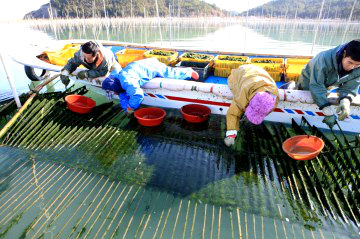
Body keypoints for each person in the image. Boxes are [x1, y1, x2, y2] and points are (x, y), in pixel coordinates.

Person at [293, 39, 360, 128]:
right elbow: (316, 85)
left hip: (330, 83)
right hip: (309, 80)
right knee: (306, 93)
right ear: (344, 54)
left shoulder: (358, 67)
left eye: (357, 65)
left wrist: (346, 100)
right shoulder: (323, 58)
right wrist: (327, 110)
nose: (352, 67)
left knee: (323, 94)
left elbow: (350, 87)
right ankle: (293, 87)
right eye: (350, 62)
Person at [101, 57, 199, 114]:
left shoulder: (127, 82)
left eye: (111, 91)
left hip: (151, 67)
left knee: (170, 73)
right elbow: (121, 94)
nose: (112, 93)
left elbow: (138, 95)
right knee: (169, 71)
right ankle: (187, 71)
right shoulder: (116, 77)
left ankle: (188, 71)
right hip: (140, 65)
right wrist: (125, 107)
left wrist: (131, 107)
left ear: (115, 87)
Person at [224, 64, 279, 147]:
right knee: (235, 91)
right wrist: (231, 134)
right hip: (241, 72)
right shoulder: (243, 95)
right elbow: (233, 113)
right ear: (249, 102)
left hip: (257, 71)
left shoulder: (274, 97)